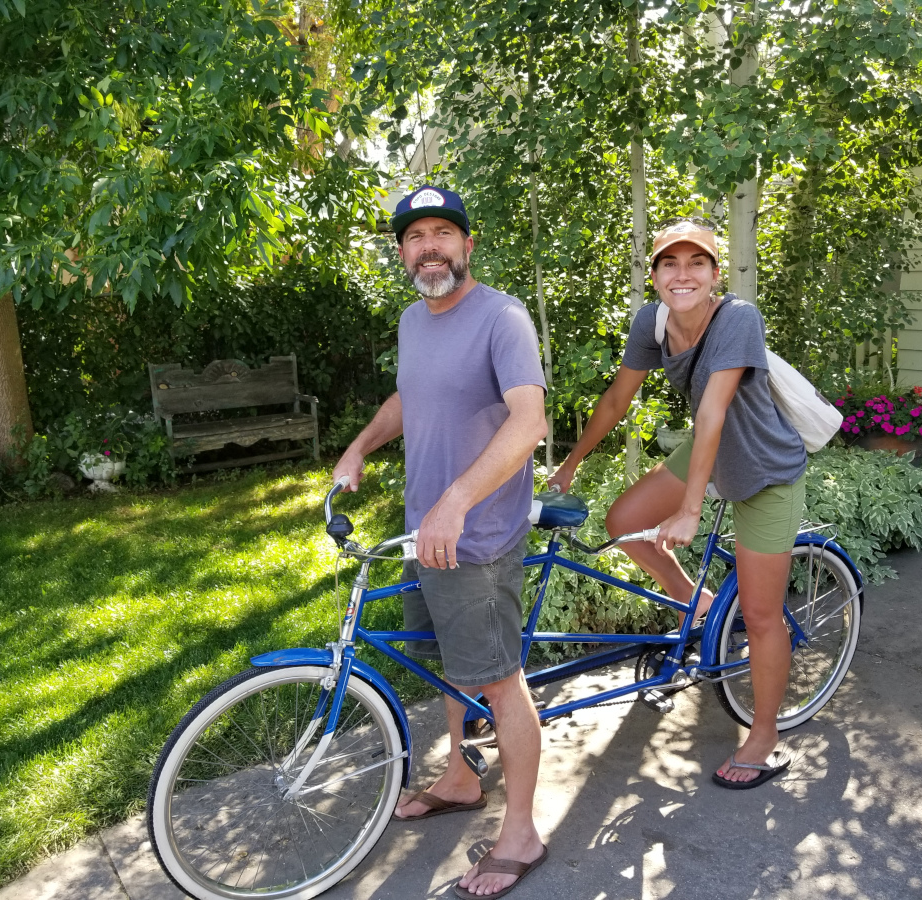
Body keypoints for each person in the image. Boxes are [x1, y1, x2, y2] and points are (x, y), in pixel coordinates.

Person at [333, 185, 549, 897]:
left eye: (442, 233)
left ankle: (521, 832)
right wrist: (361, 446)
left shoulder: (502, 318)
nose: (429, 246)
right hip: (424, 527)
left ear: (467, 244)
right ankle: (461, 777)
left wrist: (458, 500)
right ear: (402, 252)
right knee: (451, 669)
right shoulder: (412, 320)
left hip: (478, 534)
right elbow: (409, 396)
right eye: (415, 236)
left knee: (498, 678)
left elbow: (529, 424)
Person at [547, 220, 807, 790]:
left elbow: (714, 410)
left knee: (762, 615)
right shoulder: (653, 322)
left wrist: (690, 509)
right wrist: (573, 462)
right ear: (655, 275)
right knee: (623, 522)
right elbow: (619, 396)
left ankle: (763, 736)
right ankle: (705, 607)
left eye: (696, 263)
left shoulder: (737, 318)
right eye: (670, 263)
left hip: (764, 468)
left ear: (716, 275)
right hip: (708, 451)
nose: (682, 274)